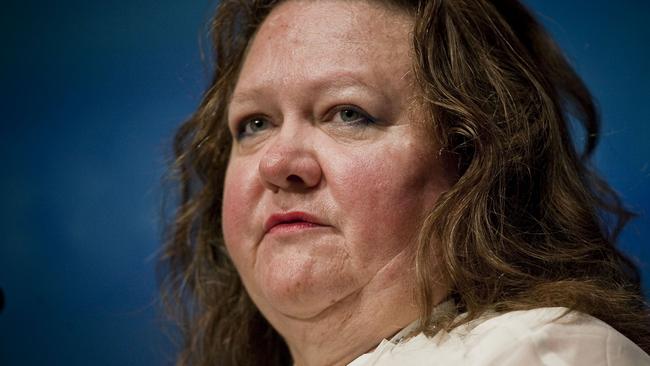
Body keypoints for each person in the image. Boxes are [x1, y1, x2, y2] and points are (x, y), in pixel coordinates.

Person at [160, 0, 650, 365]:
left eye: (348, 114)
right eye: (255, 124)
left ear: (476, 164)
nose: (277, 162)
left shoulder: (536, 352)